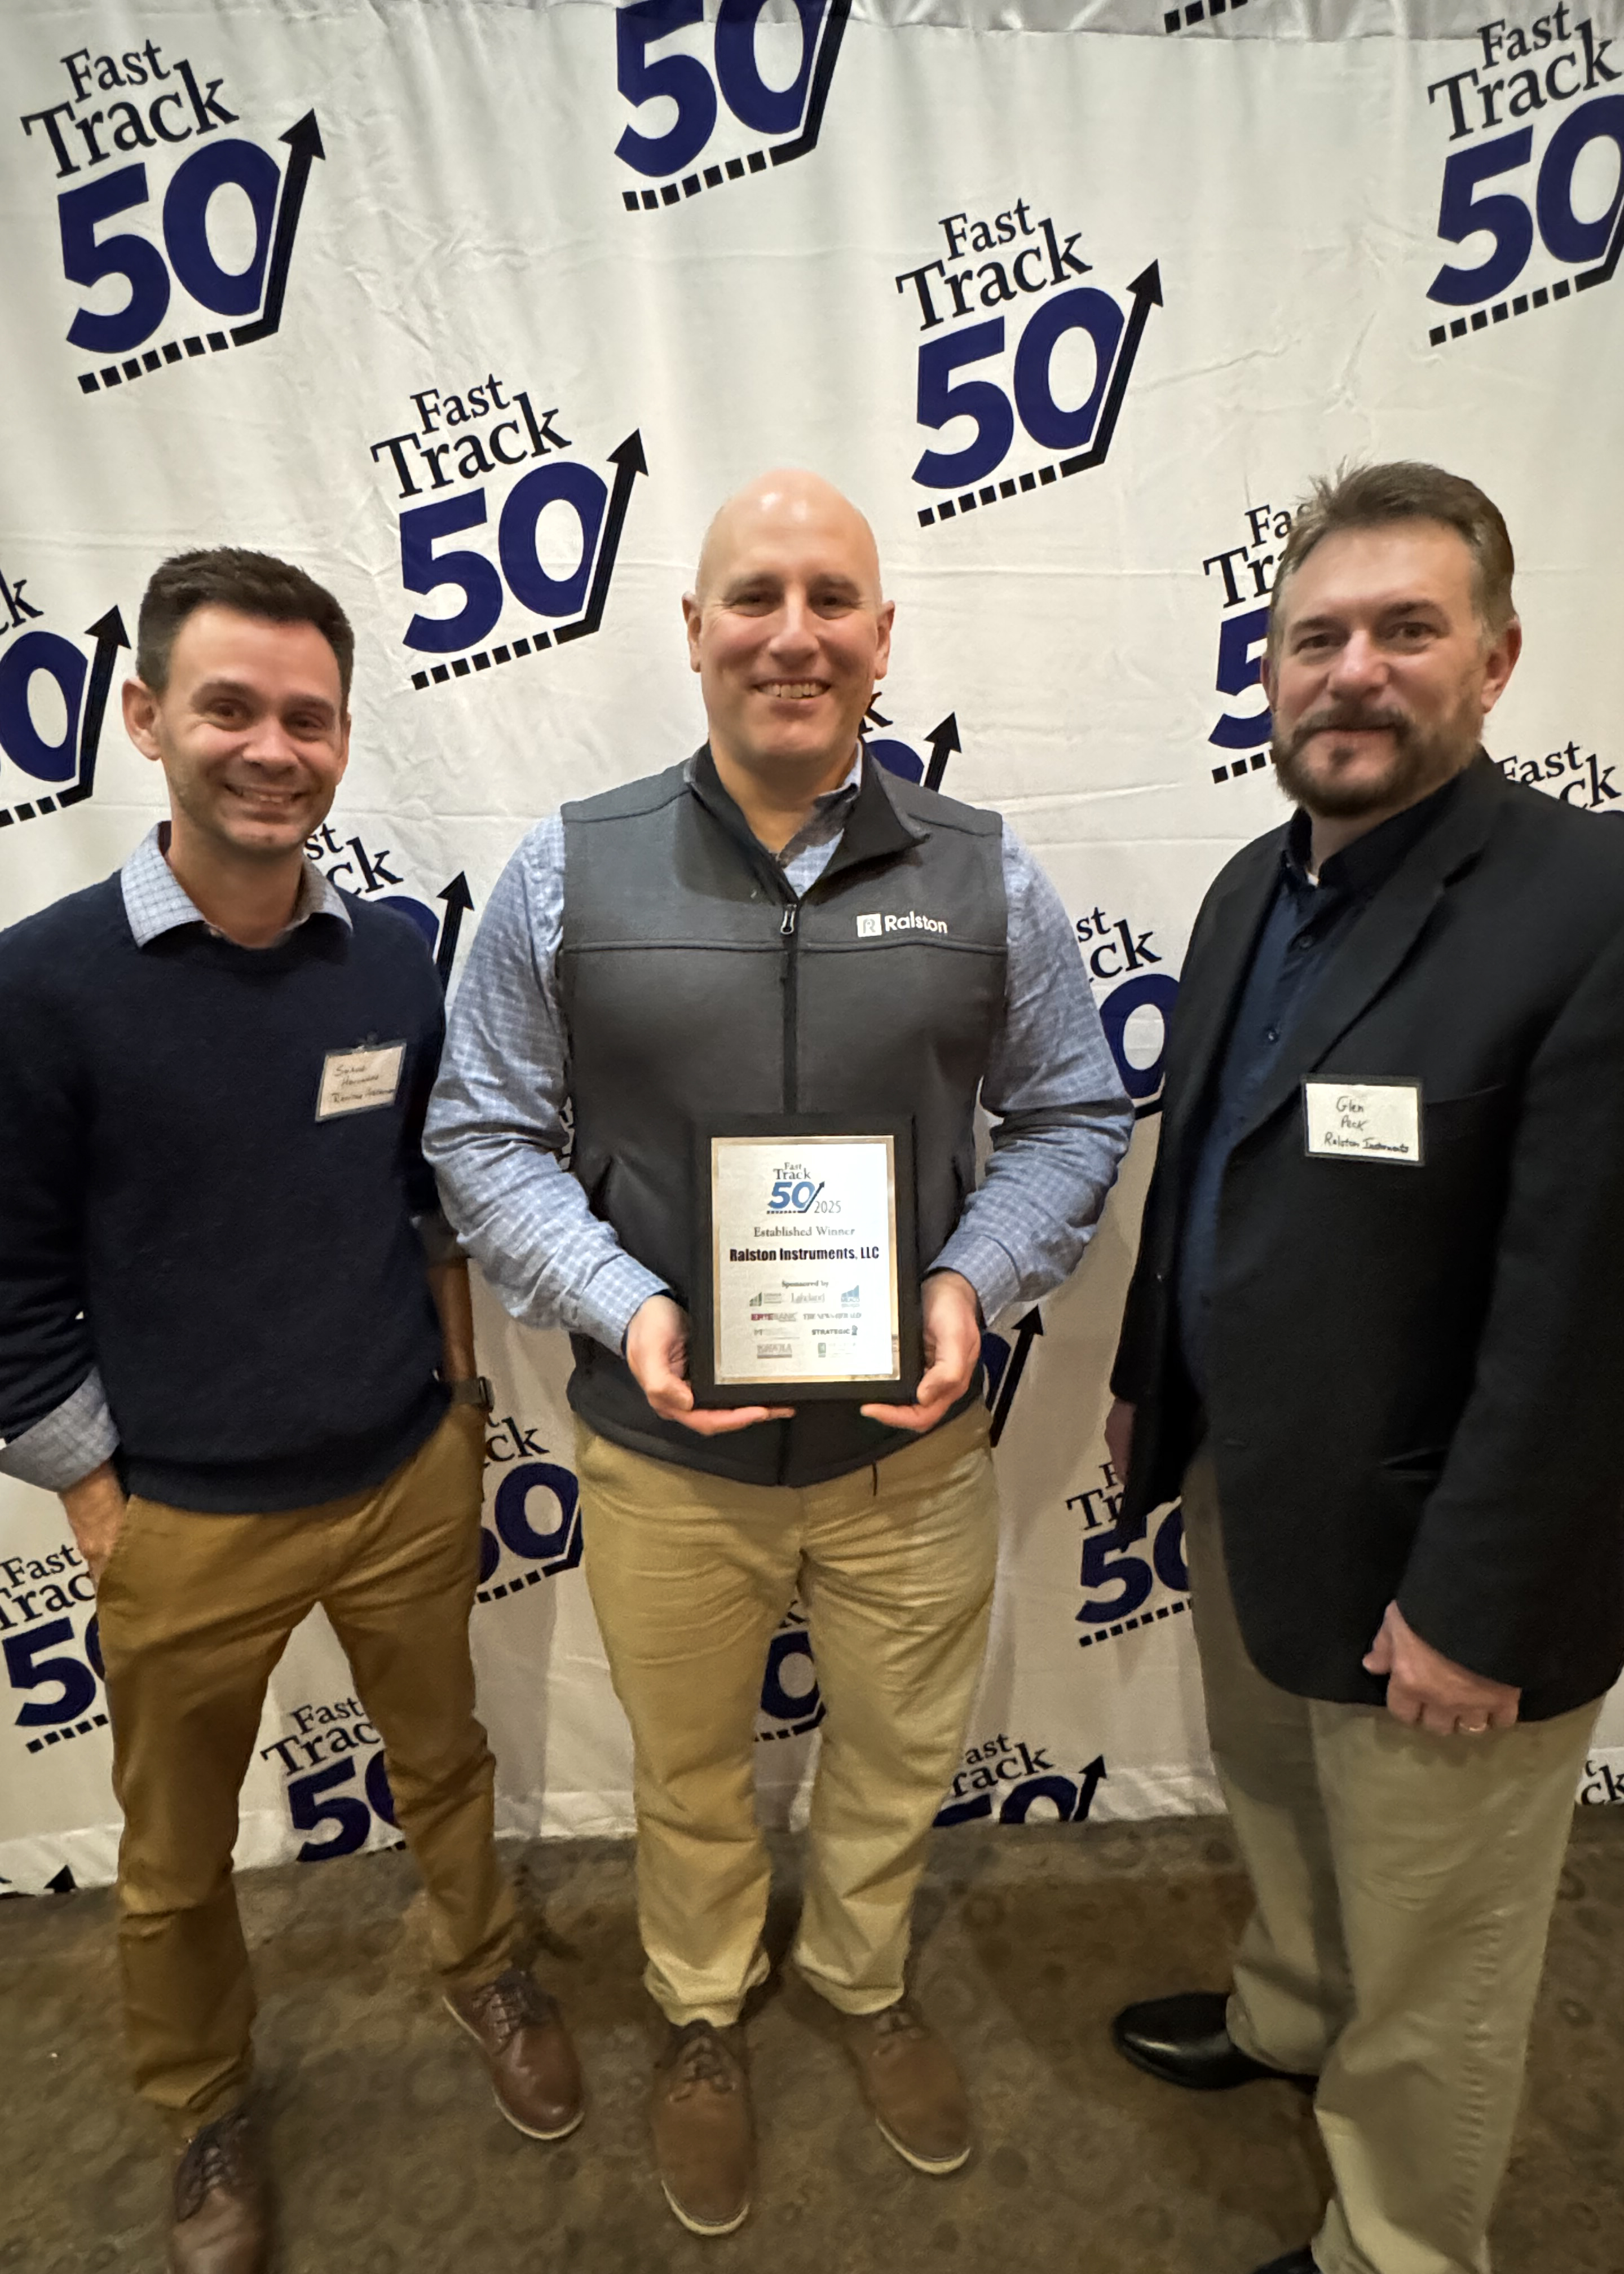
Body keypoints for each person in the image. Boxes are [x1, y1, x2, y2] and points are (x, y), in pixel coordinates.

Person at [425, 468, 1132, 2235]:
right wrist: (627, 1305)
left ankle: (864, 1978)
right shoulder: (564, 870)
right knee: (687, 1776)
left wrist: (973, 1281)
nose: (792, 634)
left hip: (912, 1454)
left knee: (898, 1756)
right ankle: (698, 2010)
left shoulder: (986, 871)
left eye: (832, 600)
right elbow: (484, 1135)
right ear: (693, 630)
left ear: (884, 638)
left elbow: (1072, 1112)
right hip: (667, 1460)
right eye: (755, 597)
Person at [0, 550, 582, 2274]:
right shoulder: (41, 988)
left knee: (447, 1766)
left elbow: (428, 1205)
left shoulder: (391, 964)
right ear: (144, 717)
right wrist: (100, 1504)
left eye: (307, 718)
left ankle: (485, 1967)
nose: (272, 748)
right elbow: (8, 1281)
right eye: (230, 708)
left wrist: (462, 1402)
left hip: (404, 1472)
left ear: (341, 737)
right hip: (181, 1519)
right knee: (176, 1862)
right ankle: (203, 2105)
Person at [1104, 462, 1624, 2274]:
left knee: (1440, 1953)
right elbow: (1208, 1167)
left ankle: (1397, 2247)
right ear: (1267, 668)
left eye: (1408, 630)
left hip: (1448, 1559)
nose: (1354, 672)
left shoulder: (1592, 904)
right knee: (1283, 1811)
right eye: (1315, 636)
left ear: (1497, 659)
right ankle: (1288, 2017)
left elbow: (1588, 1321)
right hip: (1259, 1485)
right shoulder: (1251, 888)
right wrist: (1148, 1383)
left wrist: (1480, 1607)